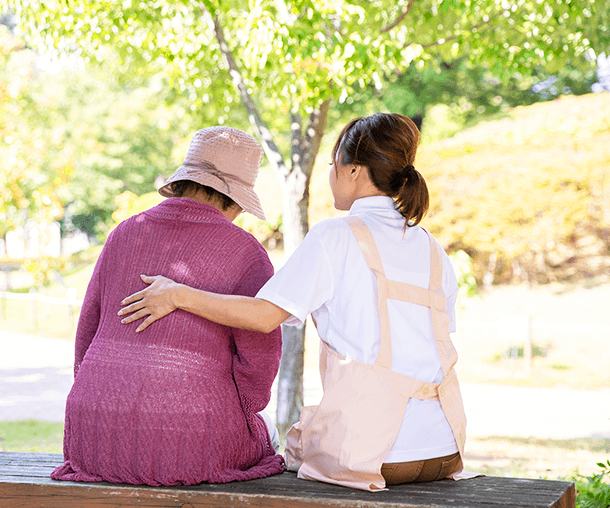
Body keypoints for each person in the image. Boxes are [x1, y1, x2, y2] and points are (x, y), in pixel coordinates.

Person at [118, 113, 471, 491]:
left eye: (332, 164)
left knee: (275, 447)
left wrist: (177, 294)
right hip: (444, 446)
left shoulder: (335, 236)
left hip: (375, 454)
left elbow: (263, 316)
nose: (330, 174)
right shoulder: (432, 248)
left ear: (353, 171)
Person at [51, 126, 285, 486]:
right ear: (234, 198)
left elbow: (87, 331)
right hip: (188, 434)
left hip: (91, 431)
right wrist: (239, 409)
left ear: (183, 180)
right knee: (263, 438)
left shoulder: (126, 232)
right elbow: (259, 363)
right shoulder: (247, 254)